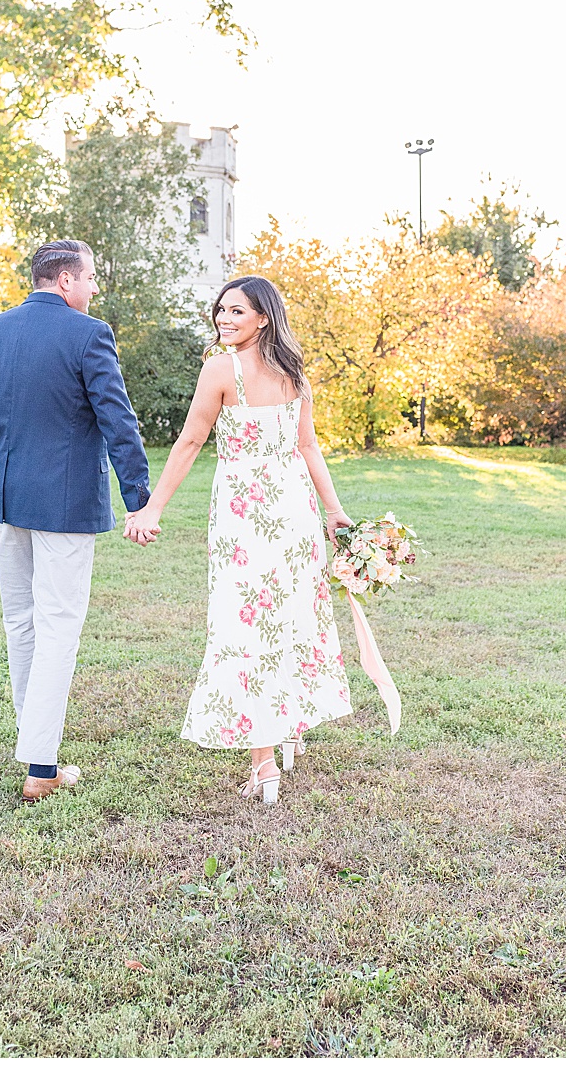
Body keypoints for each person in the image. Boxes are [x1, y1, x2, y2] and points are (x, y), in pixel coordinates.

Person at [123, 276, 353, 803]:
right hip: (292, 509)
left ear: (263, 318)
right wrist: (331, 510)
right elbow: (309, 448)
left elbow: (190, 440)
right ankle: (288, 733)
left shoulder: (220, 368)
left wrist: (152, 507)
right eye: (221, 311)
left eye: (237, 312)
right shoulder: (295, 372)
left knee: (249, 626)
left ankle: (265, 765)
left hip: (246, 516)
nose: (225, 319)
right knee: (290, 617)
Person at [0, 239, 154, 804]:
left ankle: (33, 740)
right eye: (90, 278)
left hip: (8, 504)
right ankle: (40, 765)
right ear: (66, 281)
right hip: (65, 506)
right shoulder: (88, 334)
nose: (94, 289)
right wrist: (138, 496)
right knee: (58, 627)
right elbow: (118, 421)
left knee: (22, 623)